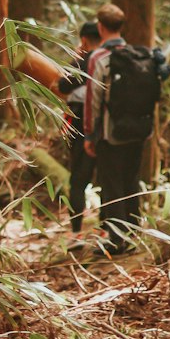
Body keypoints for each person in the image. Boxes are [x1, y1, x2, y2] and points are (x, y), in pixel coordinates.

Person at [83, 2, 164, 256]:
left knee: (112, 184)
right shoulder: (141, 55)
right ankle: (133, 233)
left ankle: (115, 240)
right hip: (139, 131)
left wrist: (89, 133)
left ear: (101, 27)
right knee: (131, 180)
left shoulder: (99, 58)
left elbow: (93, 99)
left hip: (111, 132)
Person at [56, 21, 99, 245]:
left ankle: (76, 233)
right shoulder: (110, 59)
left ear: (83, 40)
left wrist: (76, 58)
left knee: (78, 181)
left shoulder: (84, 61)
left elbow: (63, 85)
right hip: (108, 127)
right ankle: (110, 232)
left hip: (82, 124)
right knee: (109, 179)